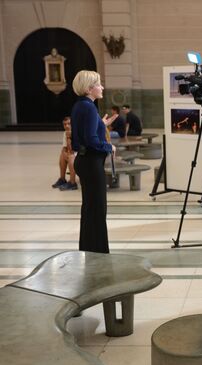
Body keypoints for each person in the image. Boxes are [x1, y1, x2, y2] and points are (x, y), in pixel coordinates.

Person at [71, 70, 117, 253]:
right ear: (90, 88)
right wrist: (109, 147)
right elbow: (91, 140)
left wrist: (100, 125)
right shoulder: (89, 107)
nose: (102, 87)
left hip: (83, 160)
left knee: (90, 209)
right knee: (97, 210)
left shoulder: (80, 105)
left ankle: (89, 249)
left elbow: (83, 134)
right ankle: (98, 253)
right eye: (99, 84)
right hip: (91, 162)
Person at [51, 117, 77, 191]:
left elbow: (72, 150)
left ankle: (73, 183)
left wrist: (68, 137)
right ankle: (62, 179)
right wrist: (64, 153)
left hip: (79, 154)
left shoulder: (76, 132)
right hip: (72, 153)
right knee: (62, 155)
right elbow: (64, 148)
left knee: (71, 157)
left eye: (69, 124)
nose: (67, 126)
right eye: (65, 124)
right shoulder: (65, 133)